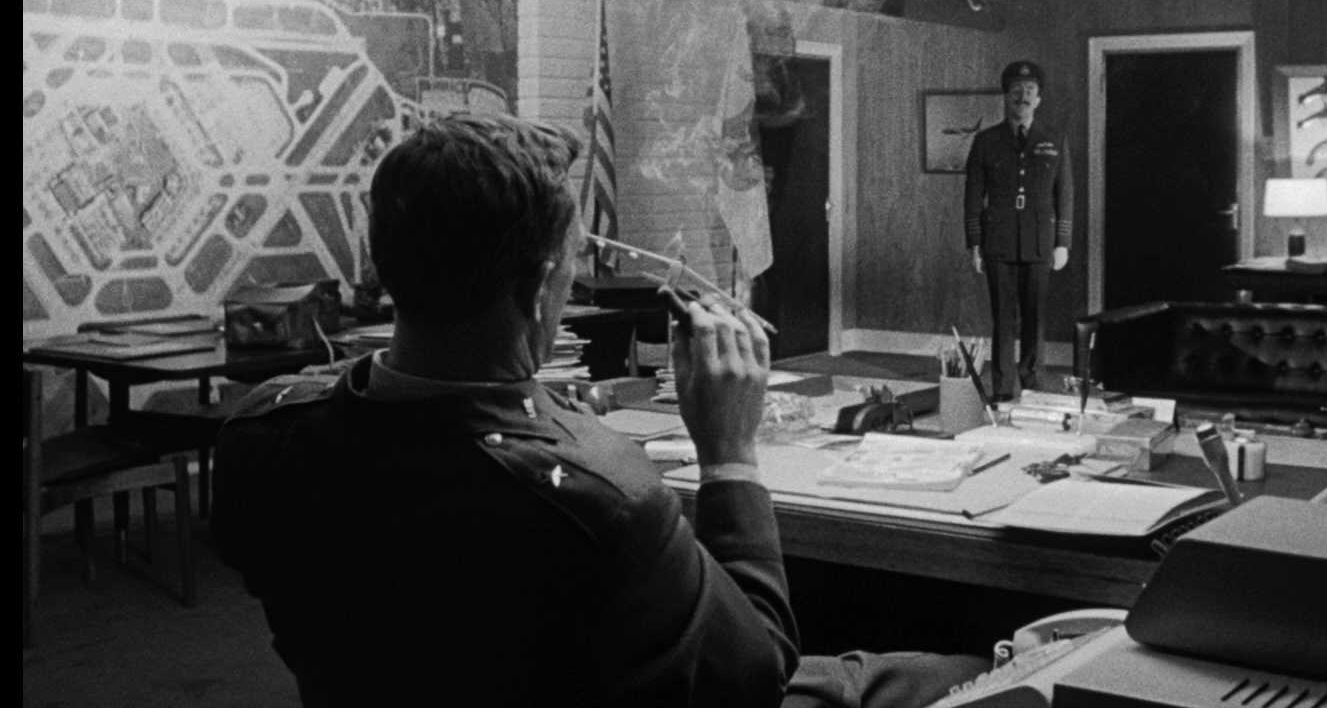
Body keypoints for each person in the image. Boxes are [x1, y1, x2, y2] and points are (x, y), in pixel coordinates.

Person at [212, 115, 984, 708]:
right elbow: (756, 673)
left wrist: (542, 413)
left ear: (387, 259)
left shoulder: (259, 436)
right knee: (963, 670)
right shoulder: (604, 497)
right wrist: (728, 453)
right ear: (540, 286)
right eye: (574, 261)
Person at [963, 61, 1073, 400]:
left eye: (1029, 91)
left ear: (1038, 99)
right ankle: (1002, 391)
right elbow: (973, 197)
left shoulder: (1054, 139)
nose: (1022, 97)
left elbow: (1065, 194)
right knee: (1003, 319)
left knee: (1034, 319)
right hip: (997, 242)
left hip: (1040, 243)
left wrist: (1063, 242)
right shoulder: (986, 141)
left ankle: (1033, 390)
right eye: (1016, 90)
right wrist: (975, 243)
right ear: (1006, 96)